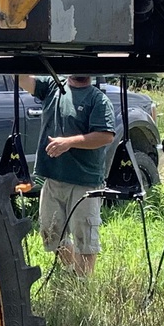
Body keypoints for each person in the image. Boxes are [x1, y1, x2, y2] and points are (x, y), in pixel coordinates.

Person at [24, 73, 118, 275]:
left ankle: (83, 283)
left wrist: (68, 143)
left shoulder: (97, 99)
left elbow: (106, 136)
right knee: (51, 234)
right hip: (53, 178)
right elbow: (23, 80)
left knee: (85, 239)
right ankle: (73, 273)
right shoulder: (52, 87)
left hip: (84, 182)